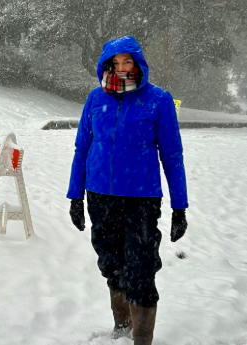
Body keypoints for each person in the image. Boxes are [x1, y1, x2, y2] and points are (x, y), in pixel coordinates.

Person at [67, 36, 188, 345]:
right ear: (107, 65)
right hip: (100, 196)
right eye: (115, 63)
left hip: (141, 199)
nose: (121, 68)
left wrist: (179, 207)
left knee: (141, 269)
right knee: (111, 264)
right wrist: (75, 197)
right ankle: (121, 329)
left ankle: (141, 339)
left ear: (138, 63)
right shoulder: (96, 99)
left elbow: (172, 156)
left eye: (127, 62)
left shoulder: (158, 100)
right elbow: (82, 149)